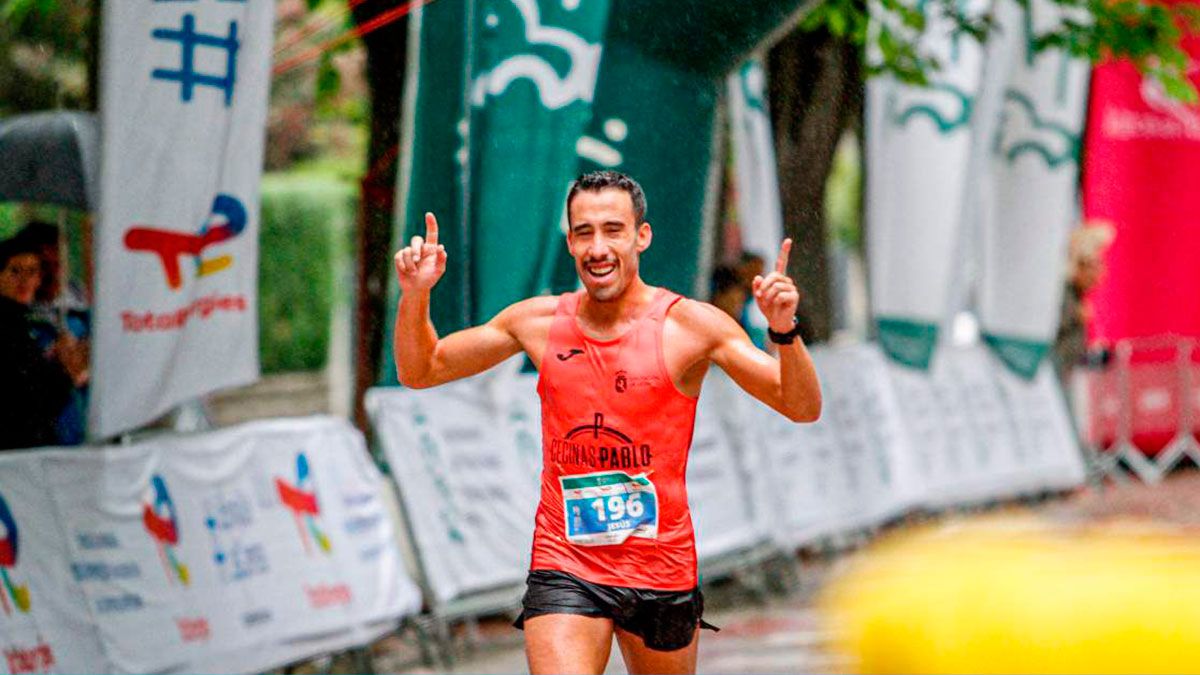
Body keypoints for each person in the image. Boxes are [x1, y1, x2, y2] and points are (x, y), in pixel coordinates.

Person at [393, 170, 821, 675]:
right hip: (566, 561)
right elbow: (423, 369)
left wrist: (783, 330)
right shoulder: (537, 321)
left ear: (641, 236)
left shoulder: (691, 325)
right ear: (570, 242)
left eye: (613, 230)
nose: (598, 247)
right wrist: (416, 295)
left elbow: (800, 405)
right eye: (584, 232)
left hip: (660, 565)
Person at [0, 236, 89, 450]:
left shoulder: (21, 322)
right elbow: (27, 402)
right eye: (15, 271)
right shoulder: (8, 326)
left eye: (32, 271)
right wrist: (66, 371)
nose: (24, 280)